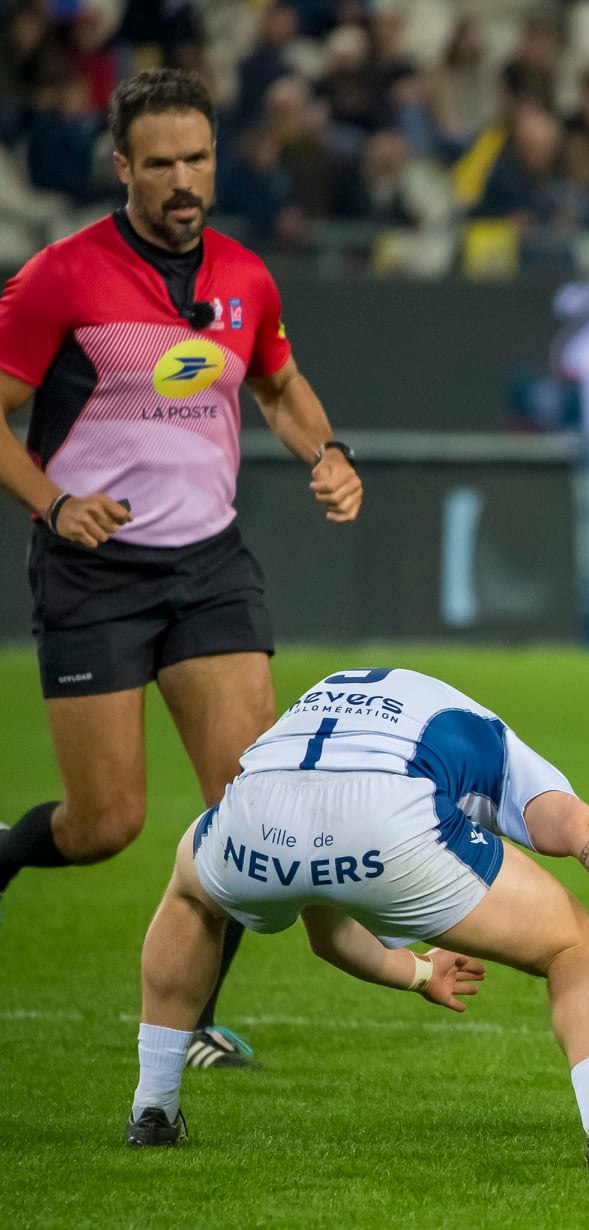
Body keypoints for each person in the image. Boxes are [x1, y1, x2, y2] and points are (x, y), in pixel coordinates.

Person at [0, 68, 364, 1069]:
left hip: (210, 568)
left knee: (252, 813)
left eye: (197, 158)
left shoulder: (245, 277)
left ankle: (190, 1019)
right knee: (105, 823)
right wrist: (55, 504)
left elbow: (280, 387)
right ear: (123, 166)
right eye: (159, 163)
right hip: (93, 572)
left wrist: (329, 455)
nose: (183, 180)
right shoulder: (61, 277)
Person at [124, 667, 589, 1169]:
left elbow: (326, 930)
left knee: (191, 898)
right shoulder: (489, 737)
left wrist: (418, 972)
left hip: (254, 807)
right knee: (576, 946)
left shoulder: (331, 704)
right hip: (386, 812)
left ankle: (153, 1110)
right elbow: (582, 830)